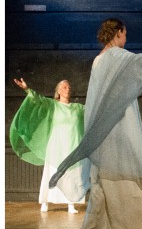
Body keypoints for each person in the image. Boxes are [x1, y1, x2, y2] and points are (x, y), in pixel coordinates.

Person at [50, 18, 142, 229]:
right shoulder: (117, 56)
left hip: (103, 124)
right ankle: (125, 224)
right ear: (118, 33)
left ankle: (102, 225)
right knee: (128, 165)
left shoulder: (98, 61)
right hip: (118, 122)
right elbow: (139, 63)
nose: (126, 38)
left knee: (106, 171)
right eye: (125, 34)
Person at [10, 78, 85, 214]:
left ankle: (70, 203)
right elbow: (38, 99)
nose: (67, 89)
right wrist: (27, 89)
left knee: (71, 174)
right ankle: (45, 202)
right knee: (52, 174)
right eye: (64, 87)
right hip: (56, 146)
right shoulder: (53, 105)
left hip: (72, 145)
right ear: (58, 91)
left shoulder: (77, 108)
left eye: (68, 87)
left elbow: (91, 112)